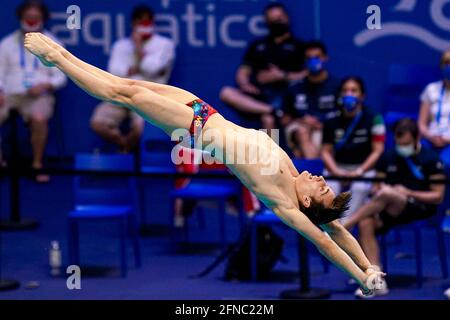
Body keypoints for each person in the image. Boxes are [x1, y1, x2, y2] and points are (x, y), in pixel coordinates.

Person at [24, 31, 387, 295]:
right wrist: (370, 268)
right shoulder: (292, 175)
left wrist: (359, 280)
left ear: (306, 202)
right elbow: (337, 229)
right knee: (126, 84)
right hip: (204, 111)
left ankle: (55, 58)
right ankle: (61, 54)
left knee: (124, 95)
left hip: (195, 130)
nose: (320, 177)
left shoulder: (285, 203)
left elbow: (325, 242)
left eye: (320, 187)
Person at [342, 119, 446, 298]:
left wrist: (409, 192)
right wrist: (383, 190)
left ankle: (345, 225)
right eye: (398, 143)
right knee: (367, 221)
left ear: (416, 138)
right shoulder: (388, 156)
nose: (401, 147)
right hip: (389, 207)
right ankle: (376, 280)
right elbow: (376, 187)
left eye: (405, 144)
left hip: (419, 208)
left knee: (389, 193)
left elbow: (438, 196)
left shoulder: (430, 158)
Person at [90, 5, 175, 153]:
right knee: (97, 123)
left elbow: (151, 68)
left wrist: (139, 48)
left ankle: (125, 152)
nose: (144, 25)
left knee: (140, 129)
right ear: (133, 24)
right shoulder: (120, 45)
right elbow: (114, 72)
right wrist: (135, 68)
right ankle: (123, 144)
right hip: (120, 94)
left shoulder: (164, 45)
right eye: (140, 22)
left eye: (147, 22)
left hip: (148, 96)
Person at [0, 0, 66, 182]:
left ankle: (37, 165)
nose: (31, 20)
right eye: (28, 17)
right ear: (21, 18)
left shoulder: (54, 44)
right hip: (11, 95)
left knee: (39, 117)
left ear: (42, 18)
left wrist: (47, 85)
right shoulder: (7, 43)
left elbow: (61, 76)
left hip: (39, 95)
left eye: (35, 17)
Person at [219, 3, 305, 131]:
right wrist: (245, 84)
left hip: (285, 95)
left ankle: (272, 151)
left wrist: (282, 76)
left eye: (280, 18)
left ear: (287, 18)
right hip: (259, 96)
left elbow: (307, 74)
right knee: (226, 93)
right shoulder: (258, 45)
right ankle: (273, 110)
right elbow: (243, 71)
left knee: (268, 119)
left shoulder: (299, 46)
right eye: (273, 20)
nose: (277, 22)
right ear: (267, 22)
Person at [321, 77, 385, 222]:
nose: (349, 94)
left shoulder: (375, 118)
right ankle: (333, 228)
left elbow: (378, 150)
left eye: (354, 90)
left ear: (362, 96)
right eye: (345, 91)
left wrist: (359, 171)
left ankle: (340, 230)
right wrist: (337, 172)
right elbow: (325, 151)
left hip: (364, 170)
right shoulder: (331, 119)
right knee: (329, 189)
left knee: (359, 188)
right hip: (337, 169)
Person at [282, 41, 340, 158]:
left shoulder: (337, 86)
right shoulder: (295, 87)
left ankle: (308, 170)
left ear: (325, 58)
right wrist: (302, 120)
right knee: (302, 132)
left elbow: (343, 115)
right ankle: (315, 173)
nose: (313, 61)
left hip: (326, 127)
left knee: (310, 144)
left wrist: (323, 123)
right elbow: (284, 119)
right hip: (299, 126)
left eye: (317, 57)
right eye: (309, 58)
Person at [418, 49, 450, 174]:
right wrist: (431, 136)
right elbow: (421, 124)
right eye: (447, 63)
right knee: (422, 163)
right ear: (441, 66)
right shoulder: (431, 89)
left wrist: (447, 139)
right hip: (430, 139)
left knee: (444, 165)